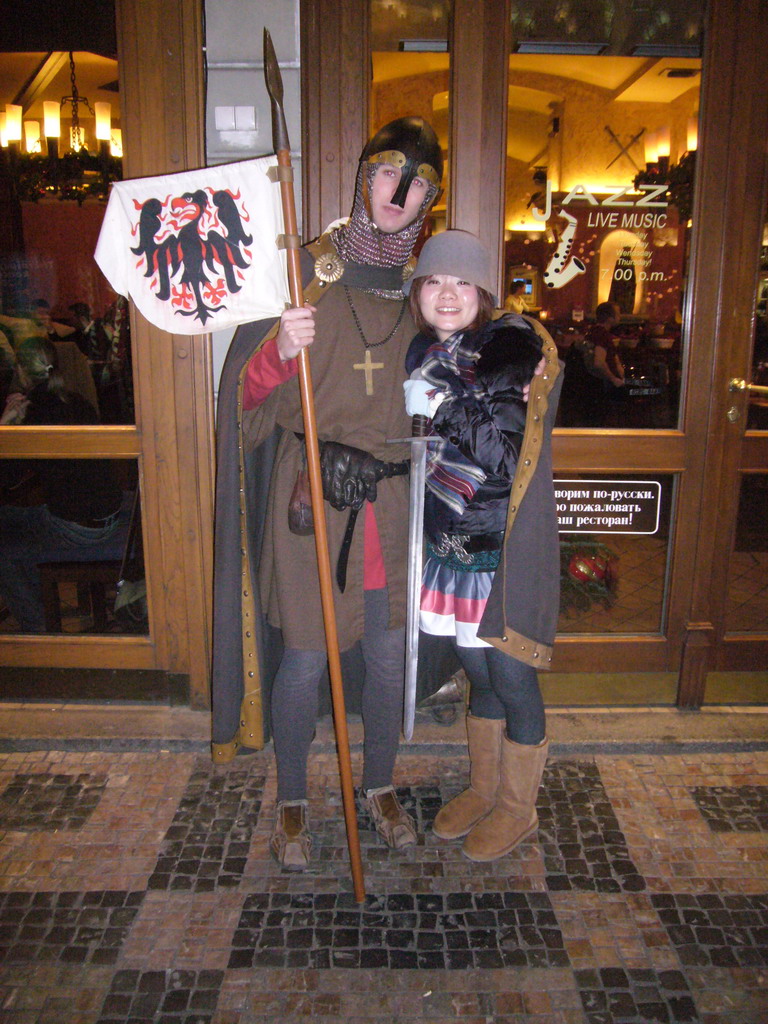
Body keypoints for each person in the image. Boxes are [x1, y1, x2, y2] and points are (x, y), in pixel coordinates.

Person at [210, 117, 452, 869]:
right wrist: (280, 350)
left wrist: (535, 362)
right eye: (389, 173)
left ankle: (377, 788)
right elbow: (247, 404)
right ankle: (290, 802)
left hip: (389, 507)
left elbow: (486, 355)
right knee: (306, 660)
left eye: (418, 184)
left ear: (425, 205)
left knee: (385, 658)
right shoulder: (304, 275)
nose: (400, 191)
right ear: (363, 178)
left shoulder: (425, 295)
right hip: (311, 504)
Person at [402, 230, 562, 862]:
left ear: (483, 295)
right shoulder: (424, 353)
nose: (448, 294)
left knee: (512, 676)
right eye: (436, 282)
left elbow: (503, 454)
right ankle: (485, 786)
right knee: (477, 673)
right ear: (419, 294)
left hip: (504, 550)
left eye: (462, 283)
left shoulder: (507, 351)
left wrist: (440, 408)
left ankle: (518, 809)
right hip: (453, 548)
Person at [0, 337, 124, 633]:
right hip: (109, 514)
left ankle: (39, 630)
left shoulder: (33, 412)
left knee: (7, 549)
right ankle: (43, 613)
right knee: (13, 521)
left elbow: (7, 478)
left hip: (81, 529)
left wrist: (6, 426)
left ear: (21, 370)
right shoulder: (75, 401)